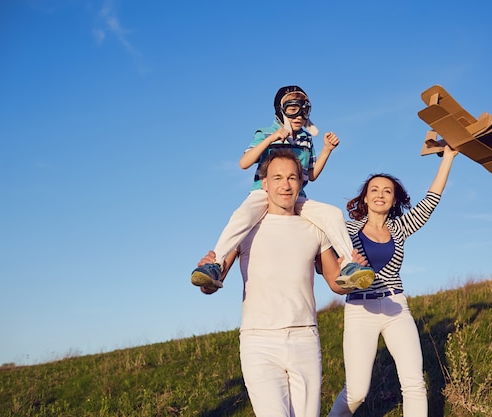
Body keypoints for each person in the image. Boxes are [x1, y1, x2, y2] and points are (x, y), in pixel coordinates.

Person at [195, 149, 355, 416]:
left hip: (304, 336)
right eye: (277, 177)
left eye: (292, 177)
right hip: (259, 341)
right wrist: (206, 276)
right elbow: (211, 284)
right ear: (264, 183)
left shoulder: (315, 226)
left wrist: (350, 277)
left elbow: (335, 283)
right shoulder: (246, 227)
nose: (285, 184)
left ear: (301, 182)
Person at [191, 85, 373, 292]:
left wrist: (327, 150)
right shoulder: (265, 133)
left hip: (296, 196)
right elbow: (244, 163)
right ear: (280, 109)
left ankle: (349, 264)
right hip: (263, 192)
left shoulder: (306, 139)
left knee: (333, 213)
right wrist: (271, 139)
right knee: (241, 216)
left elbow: (310, 175)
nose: (299, 116)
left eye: (304, 110)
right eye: (292, 108)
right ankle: (215, 265)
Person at [328, 145, 459, 417]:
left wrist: (448, 157)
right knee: (357, 392)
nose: (380, 194)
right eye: (374, 189)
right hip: (359, 310)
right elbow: (323, 252)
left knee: (414, 383)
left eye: (387, 191)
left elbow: (431, 200)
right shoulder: (345, 229)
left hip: (395, 306)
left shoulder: (399, 228)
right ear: (364, 198)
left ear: (393, 200)